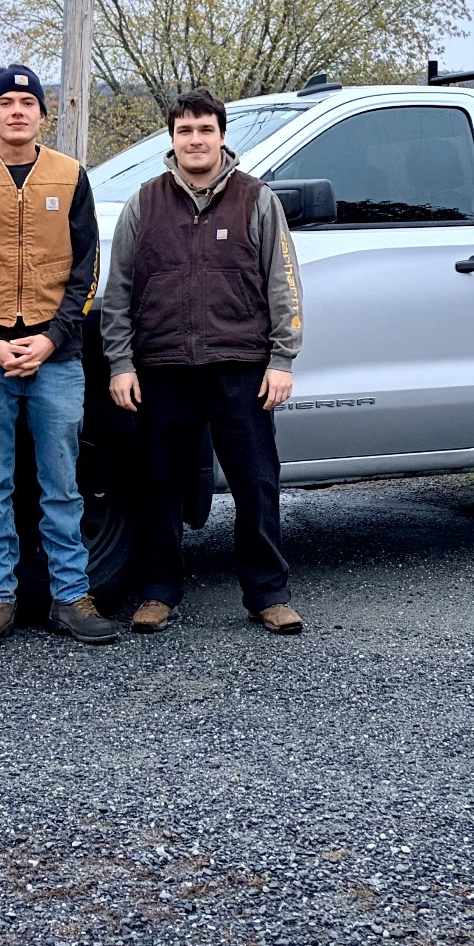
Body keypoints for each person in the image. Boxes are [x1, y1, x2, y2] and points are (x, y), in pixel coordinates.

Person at [101, 89, 305, 635]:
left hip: (240, 367)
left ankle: (268, 593)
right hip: (162, 369)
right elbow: (116, 292)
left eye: (205, 130)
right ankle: (158, 592)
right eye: (185, 130)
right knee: (158, 484)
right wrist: (120, 363)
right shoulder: (144, 203)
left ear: (221, 135)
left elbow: (284, 284)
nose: (196, 140)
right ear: (172, 139)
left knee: (256, 482)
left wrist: (281, 359)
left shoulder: (256, 199)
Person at [0, 64, 121, 651]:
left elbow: (84, 271)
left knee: (62, 484)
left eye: (27, 102)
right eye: (6, 102)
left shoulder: (70, 177)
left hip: (56, 357)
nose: (17, 111)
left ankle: (72, 598)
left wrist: (50, 339)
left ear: (43, 114)